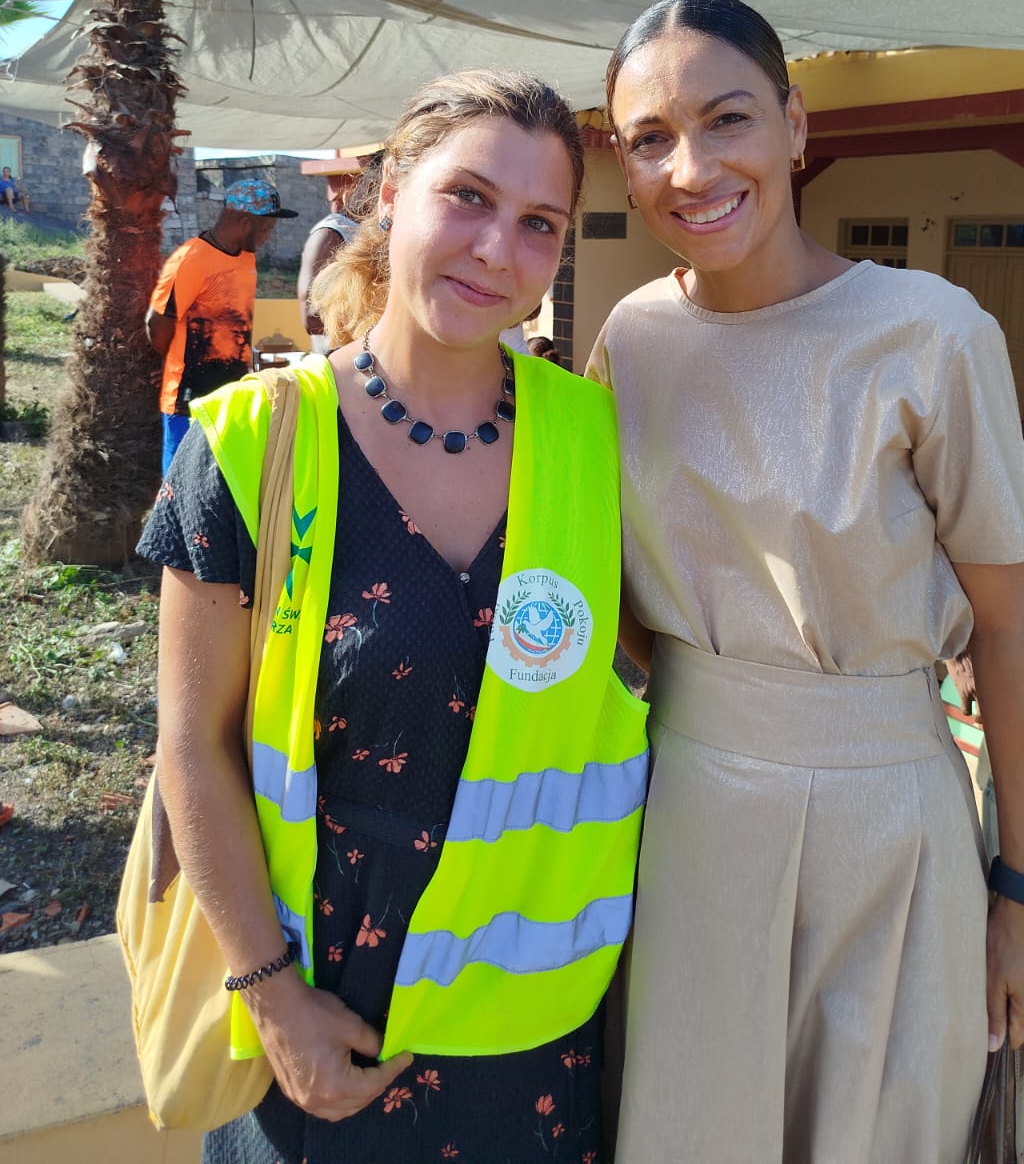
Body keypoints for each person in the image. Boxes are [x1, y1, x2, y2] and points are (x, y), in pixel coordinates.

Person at [137, 70, 647, 1164]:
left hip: (533, 1047)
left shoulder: (601, 445)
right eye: (467, 197)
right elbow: (193, 745)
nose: (496, 249)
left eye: (538, 223)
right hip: (319, 1038)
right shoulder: (249, 447)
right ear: (390, 191)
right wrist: (275, 1001)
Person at [588, 0, 1024, 1164]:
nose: (691, 168)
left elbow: (1008, 634)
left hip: (886, 826)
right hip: (681, 818)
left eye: (728, 118)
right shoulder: (628, 342)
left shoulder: (932, 332)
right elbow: (613, 607)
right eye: (651, 138)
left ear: (797, 126)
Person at [146, 178, 297, 475]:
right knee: (180, 484)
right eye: (266, 227)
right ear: (244, 221)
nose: (269, 235)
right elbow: (157, 321)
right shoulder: (191, 259)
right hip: (187, 401)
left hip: (230, 394)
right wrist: (172, 360)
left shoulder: (246, 258)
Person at [296, 165, 375, 352]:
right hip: (341, 366)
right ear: (373, 185)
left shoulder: (381, 231)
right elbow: (311, 317)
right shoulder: (331, 233)